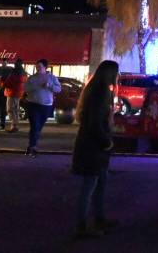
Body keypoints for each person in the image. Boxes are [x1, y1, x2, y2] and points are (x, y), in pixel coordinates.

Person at [71, 60, 120, 238]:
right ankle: (82, 225)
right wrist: (106, 142)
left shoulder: (94, 91)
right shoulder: (100, 94)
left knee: (99, 183)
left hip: (92, 145)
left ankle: (98, 218)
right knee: (90, 185)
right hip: (93, 147)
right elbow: (95, 123)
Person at [24, 59, 62, 157]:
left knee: (38, 127)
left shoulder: (52, 77)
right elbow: (25, 88)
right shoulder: (32, 78)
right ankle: (32, 146)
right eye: (37, 67)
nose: (38, 69)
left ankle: (32, 146)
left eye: (40, 67)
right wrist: (34, 88)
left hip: (46, 105)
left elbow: (58, 89)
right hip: (33, 104)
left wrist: (49, 85)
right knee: (34, 125)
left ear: (45, 67)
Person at [3, 59, 27, 132]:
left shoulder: (14, 73)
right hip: (19, 93)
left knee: (10, 109)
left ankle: (13, 125)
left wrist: (1, 82)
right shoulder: (24, 73)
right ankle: (15, 125)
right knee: (16, 109)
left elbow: (8, 83)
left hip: (11, 93)